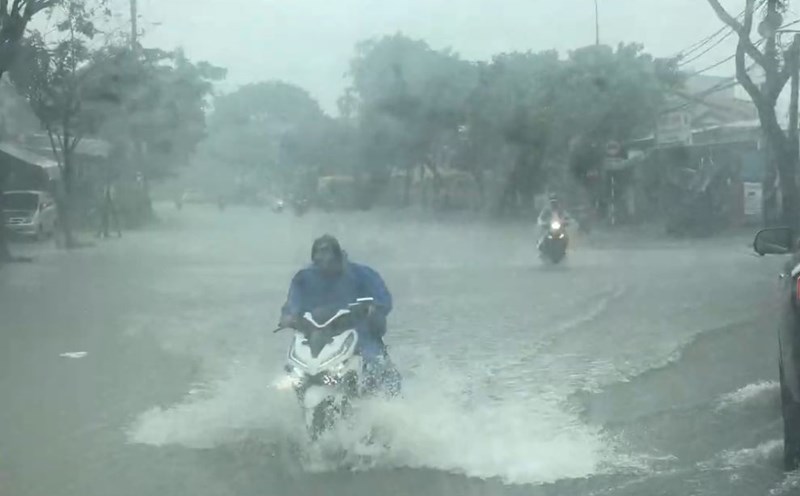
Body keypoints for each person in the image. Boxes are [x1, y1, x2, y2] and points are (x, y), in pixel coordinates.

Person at [279, 235, 401, 396]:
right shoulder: (303, 278)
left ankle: (389, 399)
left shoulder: (362, 274)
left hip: (358, 333)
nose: (324, 265)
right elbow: (292, 303)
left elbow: (383, 300)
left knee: (375, 361)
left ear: (338, 257)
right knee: (292, 369)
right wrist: (288, 316)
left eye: (329, 260)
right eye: (319, 260)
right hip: (317, 335)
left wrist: (372, 308)